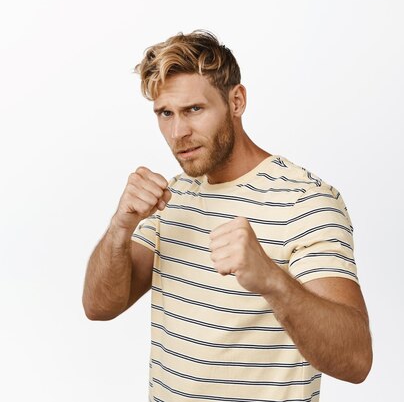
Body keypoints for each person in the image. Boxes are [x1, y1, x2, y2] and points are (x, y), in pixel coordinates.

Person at [82, 30, 372, 401]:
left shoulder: (305, 200)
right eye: (165, 114)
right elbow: (99, 307)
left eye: (194, 110)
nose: (177, 132)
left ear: (236, 101)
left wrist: (272, 280)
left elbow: (356, 360)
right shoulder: (173, 195)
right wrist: (120, 227)